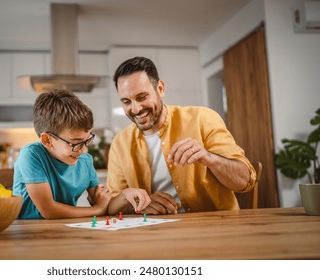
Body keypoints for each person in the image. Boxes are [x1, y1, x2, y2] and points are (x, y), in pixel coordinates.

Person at [107, 56, 256, 215]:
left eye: (142, 97)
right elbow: (112, 204)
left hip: (212, 229)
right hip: (155, 233)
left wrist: (209, 158)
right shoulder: (120, 143)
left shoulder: (203, 119)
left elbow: (244, 181)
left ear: (161, 89)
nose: (135, 109)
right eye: (126, 102)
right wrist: (140, 205)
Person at [13, 90, 112, 219]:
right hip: (29, 232)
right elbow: (49, 211)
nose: (84, 151)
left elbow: (102, 200)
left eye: (87, 140)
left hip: (66, 228)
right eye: (76, 143)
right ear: (47, 140)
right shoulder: (31, 154)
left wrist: (126, 194)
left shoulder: (85, 161)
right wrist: (97, 209)